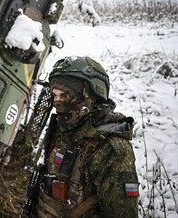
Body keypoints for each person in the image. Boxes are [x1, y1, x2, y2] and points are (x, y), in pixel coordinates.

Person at [28, 56, 139, 217]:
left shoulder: (112, 150)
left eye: (65, 96)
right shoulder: (61, 131)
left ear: (91, 97)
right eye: (55, 95)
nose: (58, 102)